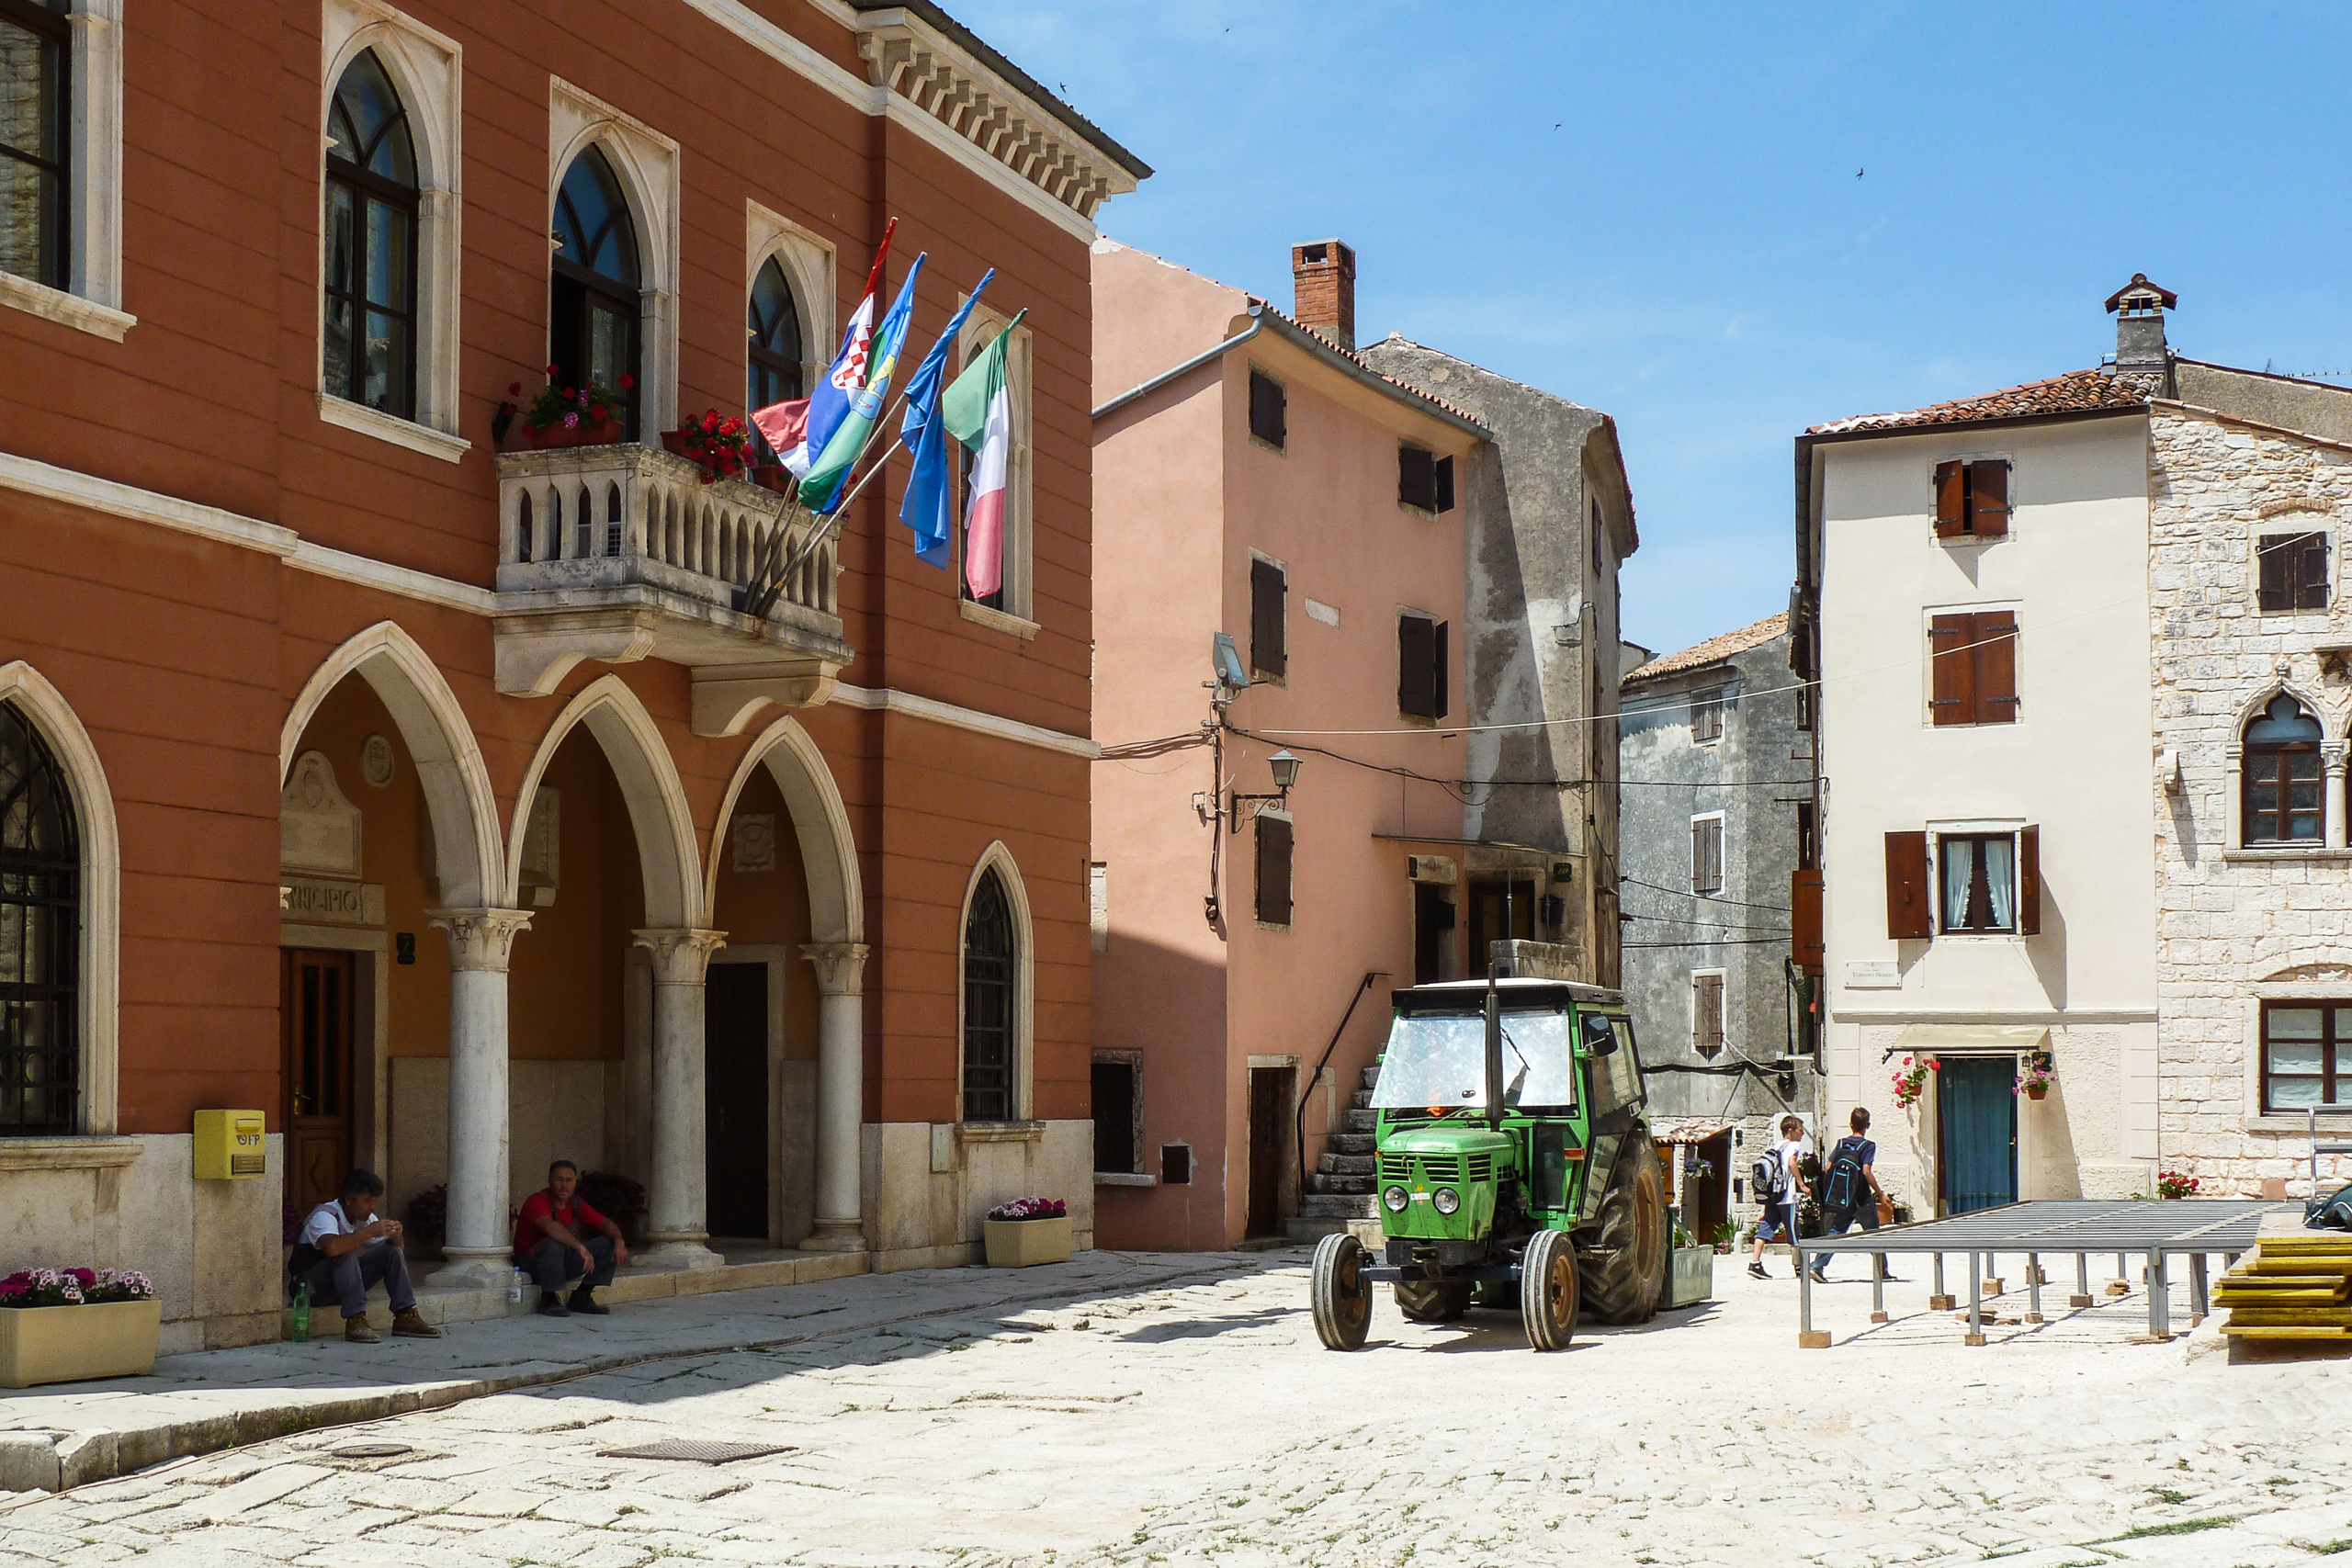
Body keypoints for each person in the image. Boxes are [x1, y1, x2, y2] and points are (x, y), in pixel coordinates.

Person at [291, 1168, 441, 1343]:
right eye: (367, 1201)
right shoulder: (325, 1216)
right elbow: (332, 1248)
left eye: (374, 1201)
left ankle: (405, 1314)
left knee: (390, 1251)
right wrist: (369, 1232)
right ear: (348, 1200)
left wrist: (396, 1236)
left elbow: (397, 1249)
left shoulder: (366, 1218)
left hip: (339, 1287)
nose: (372, 1207)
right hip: (309, 1289)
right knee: (345, 1251)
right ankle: (355, 1318)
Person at [513, 1160, 629, 1316]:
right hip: (530, 1265)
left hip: (560, 1262)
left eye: (569, 1180)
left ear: (575, 1182)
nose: (564, 1185)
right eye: (559, 1180)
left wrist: (619, 1240)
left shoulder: (575, 1204)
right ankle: (548, 1298)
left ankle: (582, 1296)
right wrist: (581, 1248)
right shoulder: (537, 1201)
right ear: (549, 1181)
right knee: (553, 1243)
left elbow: (606, 1223)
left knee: (608, 1243)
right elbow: (551, 1227)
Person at [1811, 1107, 1894, 1283]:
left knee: (1836, 1231)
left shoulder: (1841, 1143)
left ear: (1850, 1124)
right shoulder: (1868, 1146)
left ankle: (1817, 1265)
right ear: (1868, 1125)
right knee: (1873, 1233)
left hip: (1843, 1197)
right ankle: (1882, 1271)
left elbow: (1828, 1168)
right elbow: (1866, 1172)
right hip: (1861, 1198)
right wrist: (1880, 1194)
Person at [1747, 1115, 1809, 1280]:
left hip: (1773, 1195)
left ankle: (1755, 1263)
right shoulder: (1794, 1145)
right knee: (1794, 1233)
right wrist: (1802, 1185)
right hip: (1786, 1196)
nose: (1802, 1134)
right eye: (1800, 1131)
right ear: (1791, 1131)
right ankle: (1799, 1268)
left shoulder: (1775, 1145)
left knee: (1766, 1226)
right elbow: (1792, 1163)